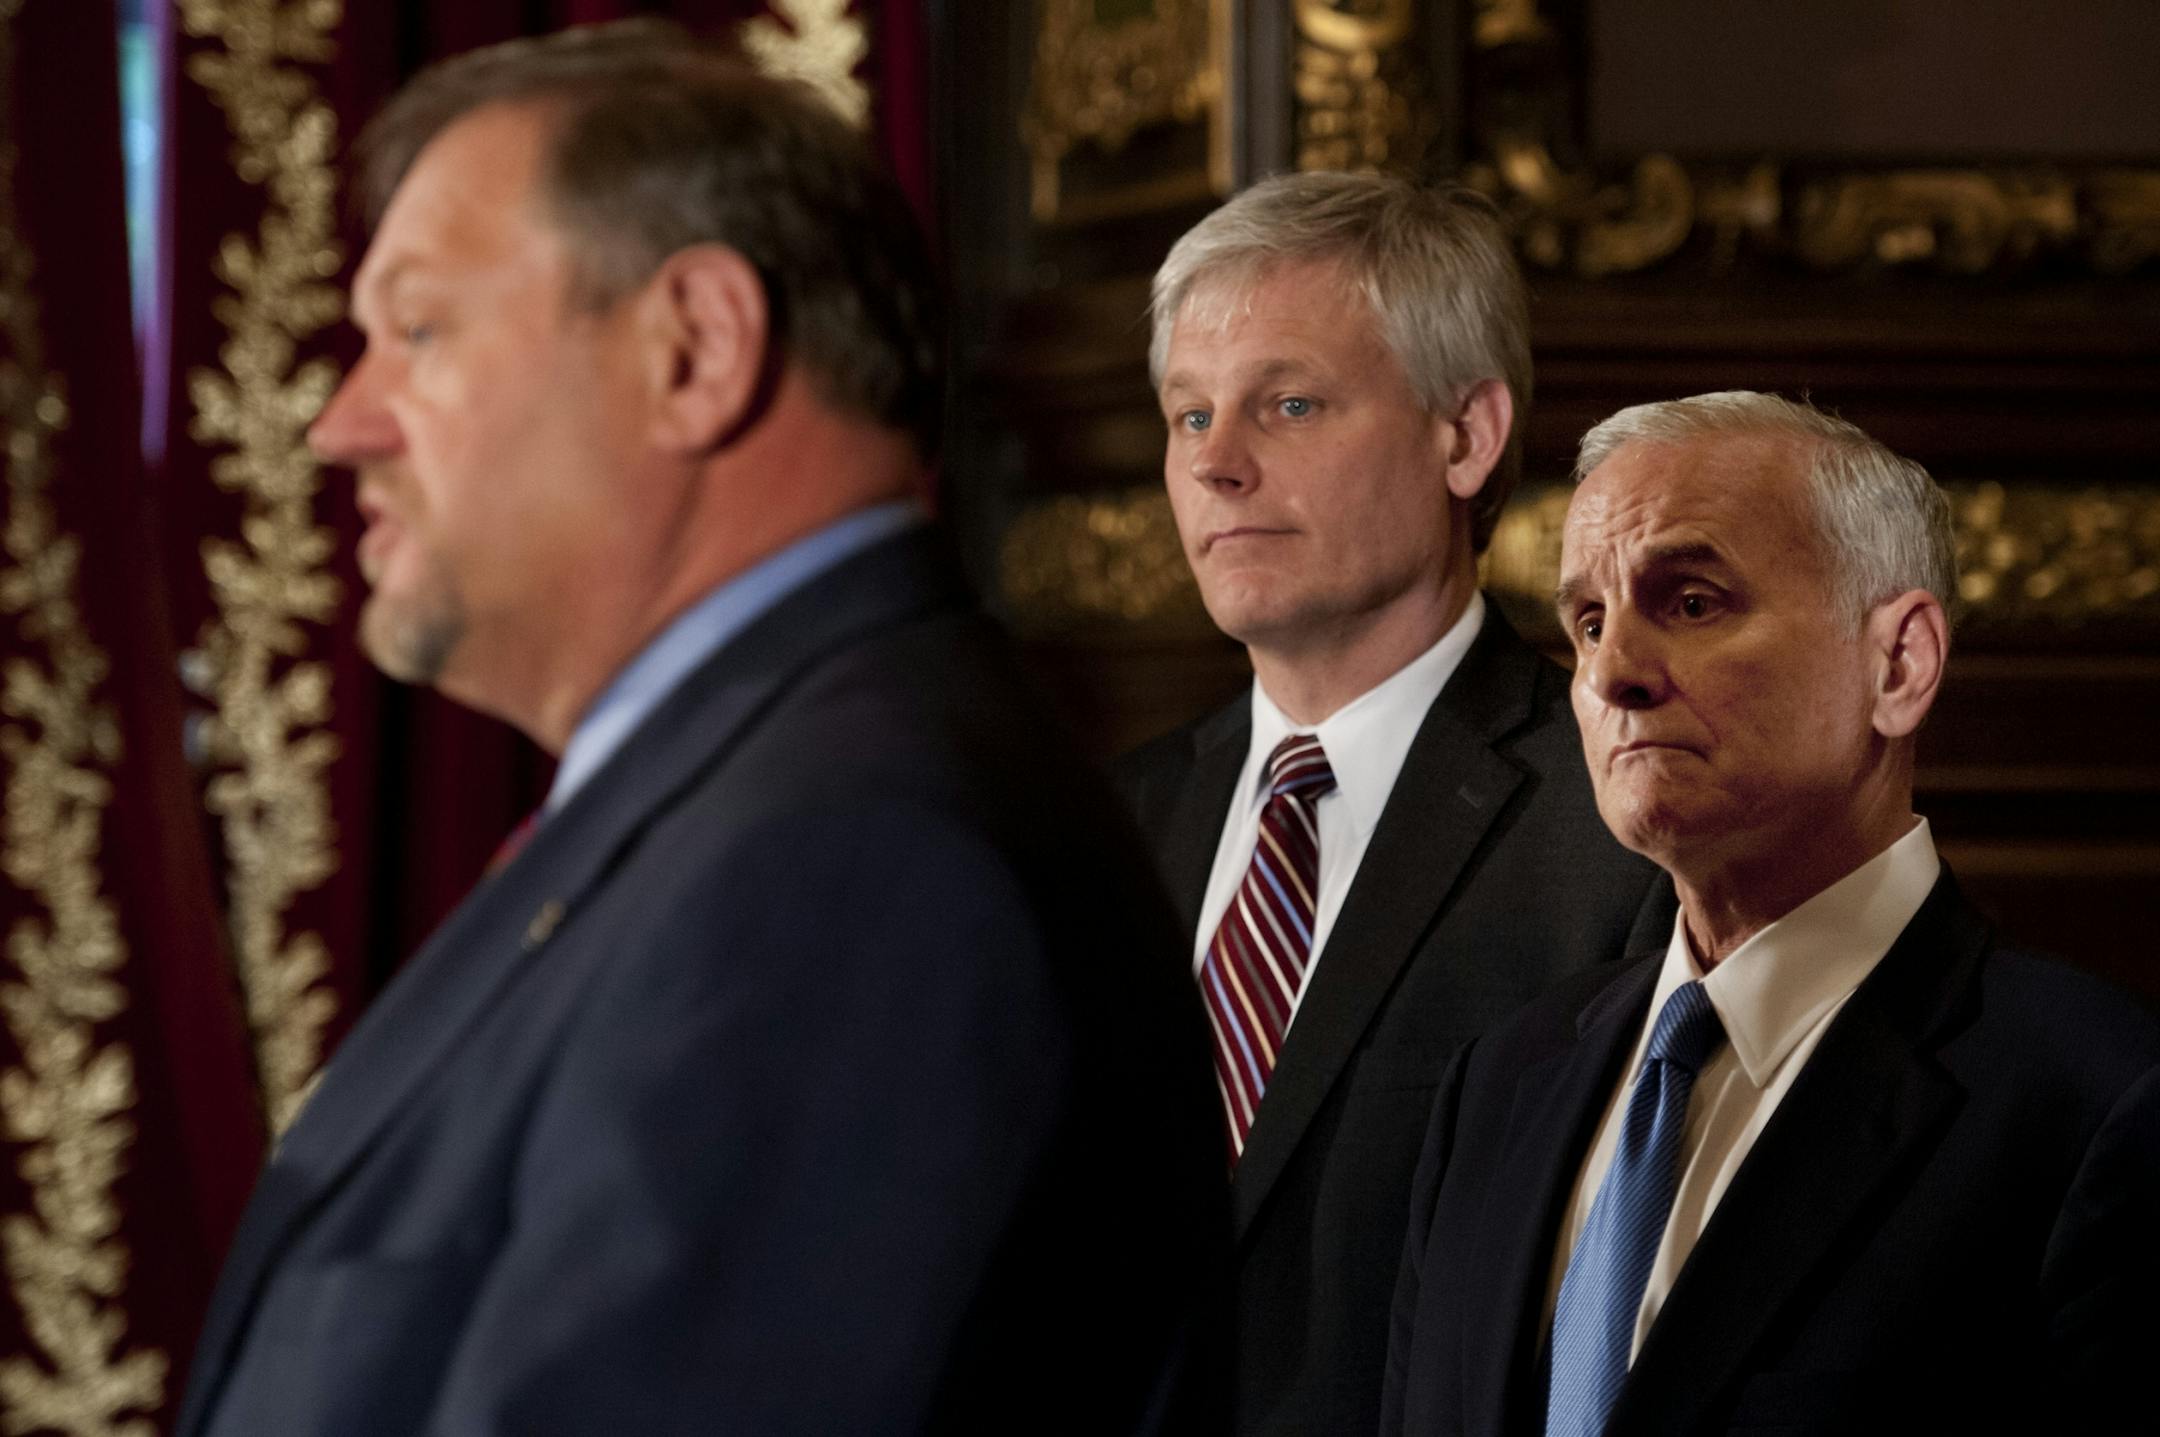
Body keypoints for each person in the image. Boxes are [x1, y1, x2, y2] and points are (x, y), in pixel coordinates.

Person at [177, 23, 1223, 1437]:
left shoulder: (853, 868)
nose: (340, 425)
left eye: (417, 331)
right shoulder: (761, 802)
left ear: (696, 350)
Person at [1383, 392, 2160, 1436]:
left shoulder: (2102, 1104)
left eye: (1692, 602)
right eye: (1589, 622)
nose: (1610, 674)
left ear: (1899, 664)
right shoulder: (1499, 1086)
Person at [1116, 172, 1667, 1435]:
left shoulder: (1617, 832)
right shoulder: (1112, 825)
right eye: (1189, 413)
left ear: (1465, 434)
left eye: (1289, 404)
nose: (1216, 463)